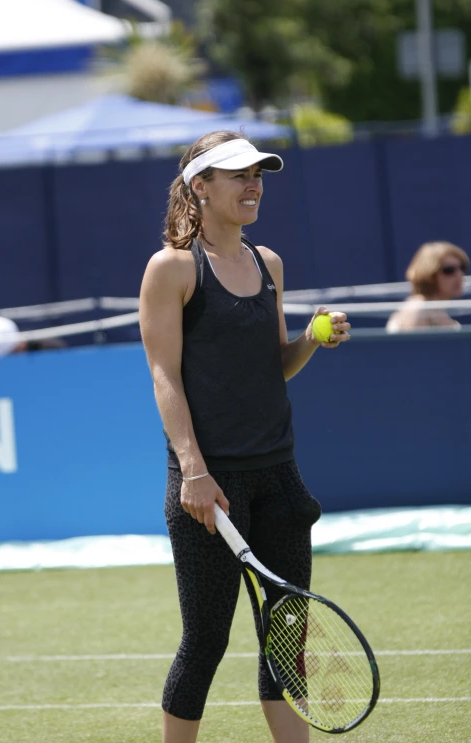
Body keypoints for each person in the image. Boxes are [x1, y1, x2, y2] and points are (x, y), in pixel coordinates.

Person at [139, 130, 351, 743]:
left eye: (258, 173)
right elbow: (164, 374)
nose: (253, 184)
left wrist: (311, 339)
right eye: (237, 174)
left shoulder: (269, 264)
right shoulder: (172, 268)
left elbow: (275, 366)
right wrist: (194, 471)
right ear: (199, 187)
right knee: (205, 640)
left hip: (279, 476)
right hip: (209, 484)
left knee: (288, 637)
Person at [386, 241, 469, 333]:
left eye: (462, 268)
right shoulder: (418, 310)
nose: (459, 275)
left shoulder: (435, 309)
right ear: (429, 274)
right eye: (448, 270)